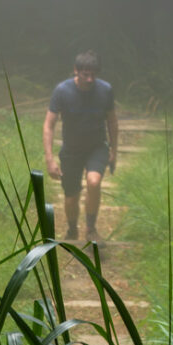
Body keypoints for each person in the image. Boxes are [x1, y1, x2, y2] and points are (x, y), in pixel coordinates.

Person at [43, 49, 118, 242]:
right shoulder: (62, 91)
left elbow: (112, 121)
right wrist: (50, 159)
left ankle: (91, 229)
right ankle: (72, 229)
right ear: (76, 71)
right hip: (71, 150)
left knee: (94, 182)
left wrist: (114, 151)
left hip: (97, 147)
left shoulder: (105, 90)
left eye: (93, 75)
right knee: (71, 196)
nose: (90, 79)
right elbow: (49, 125)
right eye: (86, 74)